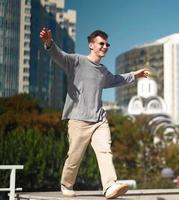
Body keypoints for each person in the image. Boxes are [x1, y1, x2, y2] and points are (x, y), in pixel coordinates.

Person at [39, 27, 148, 198]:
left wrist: (135, 74)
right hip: (78, 120)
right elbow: (59, 55)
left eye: (107, 44)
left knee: (105, 151)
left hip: (99, 120)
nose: (105, 47)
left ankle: (110, 186)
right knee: (75, 156)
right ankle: (66, 184)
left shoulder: (103, 71)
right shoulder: (76, 61)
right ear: (91, 45)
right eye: (101, 43)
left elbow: (117, 79)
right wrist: (48, 42)